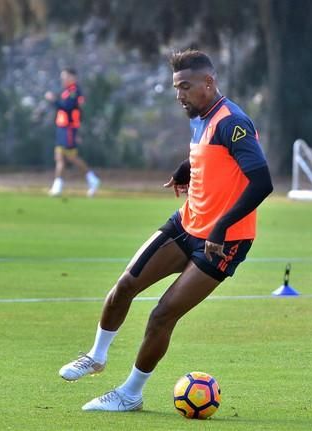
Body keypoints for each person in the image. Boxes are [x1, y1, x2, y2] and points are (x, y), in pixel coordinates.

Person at [58, 49, 273, 412]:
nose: (179, 95)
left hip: (224, 241)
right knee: (125, 284)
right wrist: (186, 168)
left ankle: (130, 394)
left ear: (209, 82)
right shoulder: (200, 117)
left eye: (185, 87)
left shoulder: (232, 122)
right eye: (176, 87)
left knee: (162, 314)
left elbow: (262, 181)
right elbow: (212, 156)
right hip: (187, 222)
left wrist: (221, 226)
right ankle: (96, 356)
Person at [45, 68, 101, 197]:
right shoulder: (66, 91)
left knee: (71, 157)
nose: (63, 79)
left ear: (72, 78)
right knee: (59, 156)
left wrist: (53, 100)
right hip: (62, 128)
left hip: (69, 128)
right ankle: (57, 186)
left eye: (65, 77)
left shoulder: (74, 92)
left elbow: (68, 107)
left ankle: (92, 179)